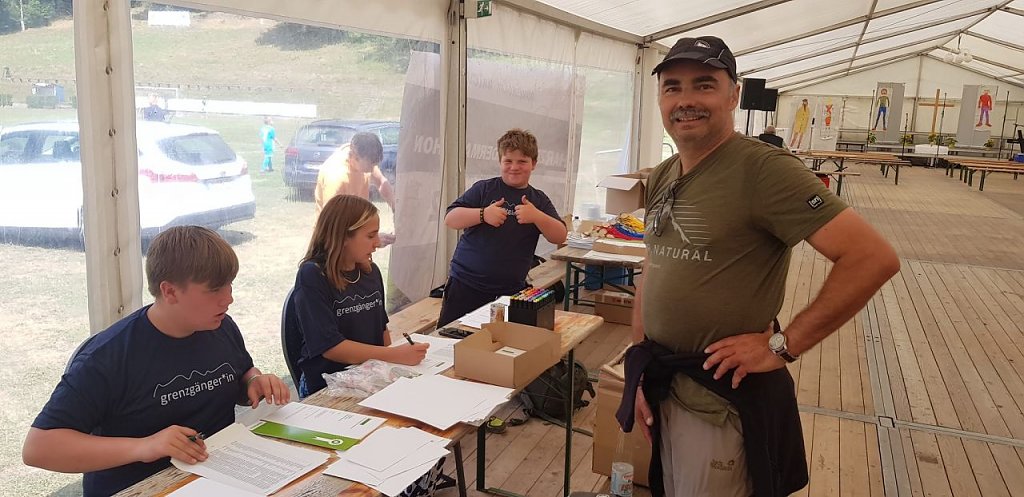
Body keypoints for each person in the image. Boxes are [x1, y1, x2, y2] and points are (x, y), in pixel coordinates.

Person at [616, 36, 899, 497]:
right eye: (672, 87)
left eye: (703, 85)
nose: (685, 100)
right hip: (666, 383)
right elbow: (655, 263)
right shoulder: (665, 172)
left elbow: (872, 258)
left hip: (719, 399)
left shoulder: (765, 170)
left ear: (733, 95)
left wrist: (782, 346)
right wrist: (639, 361)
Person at [22, 226, 290, 497]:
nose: (229, 298)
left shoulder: (220, 327)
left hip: (219, 476)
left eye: (230, 284)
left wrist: (254, 381)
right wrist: (145, 446)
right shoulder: (108, 357)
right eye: (215, 289)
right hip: (140, 487)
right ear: (170, 291)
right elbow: (39, 448)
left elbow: (239, 373)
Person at [288, 194, 428, 398]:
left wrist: (391, 363)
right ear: (343, 237)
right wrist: (394, 355)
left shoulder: (371, 272)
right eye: (370, 236)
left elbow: (381, 330)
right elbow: (330, 347)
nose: (377, 243)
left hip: (368, 378)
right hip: (326, 386)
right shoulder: (313, 275)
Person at [436, 128, 567, 327]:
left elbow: (560, 236)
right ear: (500, 162)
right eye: (508, 161)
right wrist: (483, 214)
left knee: (501, 341)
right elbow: (451, 219)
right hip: (465, 284)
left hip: (510, 290)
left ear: (533, 164)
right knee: (452, 337)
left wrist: (537, 216)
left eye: (522, 161)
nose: (514, 167)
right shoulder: (484, 189)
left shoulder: (538, 200)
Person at [314, 132, 396, 226]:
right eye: (370, 165)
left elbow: (381, 182)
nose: (373, 169)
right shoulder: (335, 177)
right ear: (356, 157)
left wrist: (395, 208)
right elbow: (330, 222)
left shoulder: (360, 156)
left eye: (375, 165)